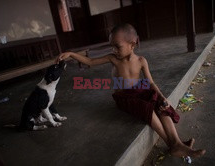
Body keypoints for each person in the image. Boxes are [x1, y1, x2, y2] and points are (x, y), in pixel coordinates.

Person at [56, 23, 206, 158]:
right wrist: (71, 54)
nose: (113, 49)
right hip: (124, 97)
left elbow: (150, 82)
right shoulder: (113, 58)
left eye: (117, 46)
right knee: (147, 108)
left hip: (139, 90)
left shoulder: (141, 61)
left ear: (132, 45)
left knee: (159, 103)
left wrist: (162, 97)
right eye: (112, 46)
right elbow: (90, 61)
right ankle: (174, 145)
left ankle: (177, 142)